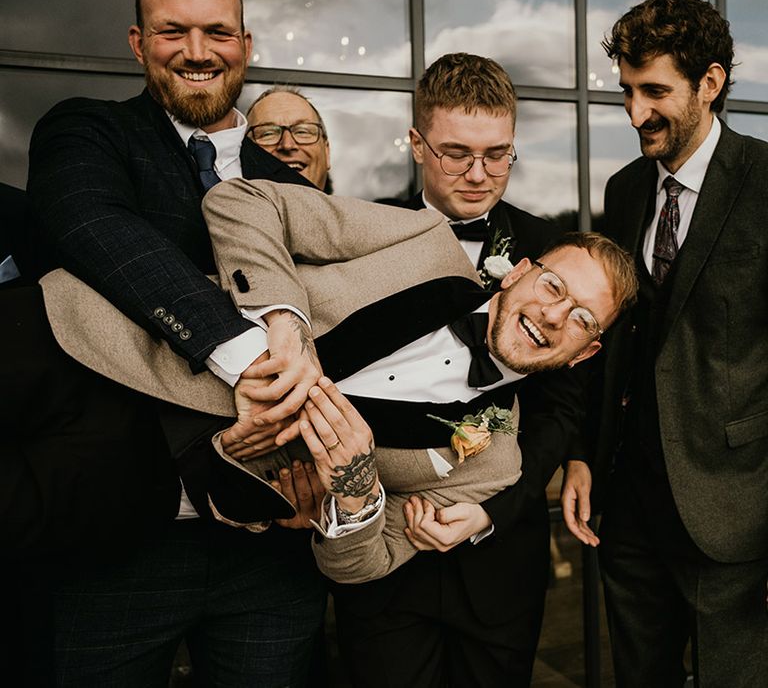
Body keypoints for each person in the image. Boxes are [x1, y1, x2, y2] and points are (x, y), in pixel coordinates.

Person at [41, 179, 637, 686]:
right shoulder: (423, 242)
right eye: (554, 287)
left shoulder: (495, 463)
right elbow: (242, 199)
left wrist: (354, 495)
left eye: (582, 318)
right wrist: (282, 325)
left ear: (586, 354)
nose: (555, 315)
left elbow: (363, 564)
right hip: (95, 363)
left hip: (154, 509)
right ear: (519, 275)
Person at [25, 0, 327, 684]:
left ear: (245, 46)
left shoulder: (299, 190)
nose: (197, 51)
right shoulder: (86, 132)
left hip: (273, 550)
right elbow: (97, 229)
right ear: (138, 42)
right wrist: (256, 359)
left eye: (218, 31)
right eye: (173, 31)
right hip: (119, 541)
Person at [560, 0, 768, 686]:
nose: (633, 113)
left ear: (710, 83)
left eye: (654, 91)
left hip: (736, 519)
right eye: (625, 90)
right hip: (628, 518)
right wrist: (586, 457)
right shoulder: (623, 191)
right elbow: (609, 343)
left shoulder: (767, 183)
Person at [378, 51, 586, 683]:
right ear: (417, 143)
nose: (479, 174)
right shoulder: (366, 231)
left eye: (497, 154)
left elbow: (567, 408)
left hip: (501, 560)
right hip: (387, 561)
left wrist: (495, 508)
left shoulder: (552, 249)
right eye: (455, 153)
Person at [246, 86, 333, 192]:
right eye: (268, 134)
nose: (287, 145)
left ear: (327, 152)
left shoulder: (356, 208)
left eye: (302, 131)